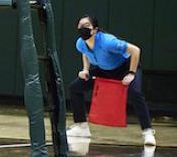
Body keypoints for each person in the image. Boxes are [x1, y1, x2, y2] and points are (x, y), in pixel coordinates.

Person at [66, 15, 156, 147]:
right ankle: (81, 127)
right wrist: (85, 70)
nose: (82, 28)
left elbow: (135, 50)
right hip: (104, 71)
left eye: (86, 26)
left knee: (135, 93)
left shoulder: (108, 42)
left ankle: (148, 132)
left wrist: (131, 73)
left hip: (125, 68)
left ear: (95, 30)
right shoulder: (80, 43)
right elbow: (85, 53)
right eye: (80, 26)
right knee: (75, 87)